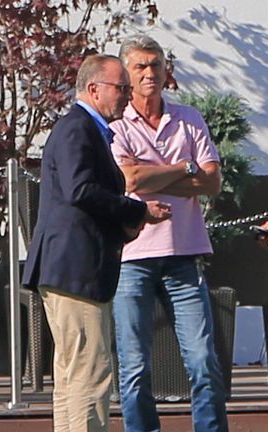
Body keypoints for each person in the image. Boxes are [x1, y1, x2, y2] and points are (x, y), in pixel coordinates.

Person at [22, 54, 172, 431]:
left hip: (70, 269)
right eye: (121, 87)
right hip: (77, 270)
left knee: (74, 374)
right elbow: (81, 190)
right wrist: (136, 212)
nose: (128, 95)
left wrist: (127, 222)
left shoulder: (84, 129)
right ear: (94, 89)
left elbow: (80, 197)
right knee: (92, 373)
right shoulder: (78, 129)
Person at [109, 35, 229, 432]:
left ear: (166, 70)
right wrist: (184, 168)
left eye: (155, 65)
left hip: (184, 252)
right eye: (140, 66)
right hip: (132, 257)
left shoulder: (189, 118)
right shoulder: (116, 125)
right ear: (127, 74)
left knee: (203, 360)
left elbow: (212, 183)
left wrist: (152, 177)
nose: (149, 73)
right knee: (135, 366)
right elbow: (130, 180)